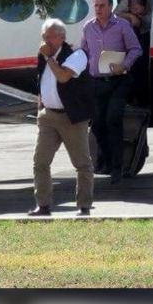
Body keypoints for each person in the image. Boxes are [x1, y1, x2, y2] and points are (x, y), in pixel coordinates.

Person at [30, 18, 96, 216]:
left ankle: (84, 206)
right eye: (44, 37)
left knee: (82, 163)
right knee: (40, 161)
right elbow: (41, 81)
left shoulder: (77, 54)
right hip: (48, 115)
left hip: (72, 117)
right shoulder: (43, 55)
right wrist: (39, 109)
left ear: (62, 37)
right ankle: (43, 205)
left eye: (50, 37)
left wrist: (50, 58)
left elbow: (63, 77)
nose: (46, 41)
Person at [81, 0, 141, 184]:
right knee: (97, 124)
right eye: (96, 5)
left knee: (113, 119)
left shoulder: (122, 25)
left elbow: (136, 49)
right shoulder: (88, 27)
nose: (98, 9)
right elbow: (84, 52)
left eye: (102, 6)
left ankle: (117, 167)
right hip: (97, 82)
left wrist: (124, 65)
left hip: (118, 82)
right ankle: (106, 160)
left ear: (110, 7)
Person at [116, 0, 151, 106]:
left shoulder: (142, 19)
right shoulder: (129, 16)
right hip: (128, 54)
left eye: (138, 3)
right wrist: (130, 15)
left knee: (138, 77)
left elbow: (136, 22)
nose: (134, 6)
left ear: (144, 7)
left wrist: (130, 16)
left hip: (139, 54)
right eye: (131, 4)